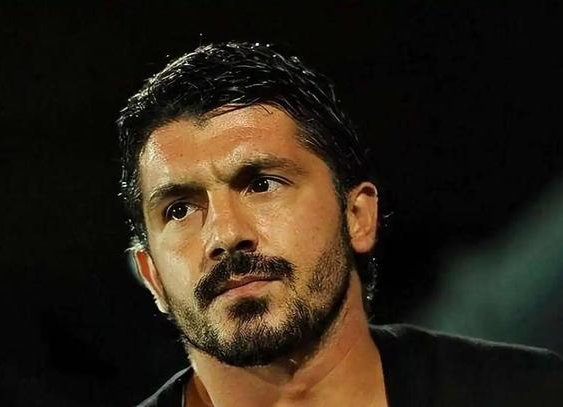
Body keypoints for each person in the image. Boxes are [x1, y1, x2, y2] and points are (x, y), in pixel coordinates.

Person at [117, 42, 562, 406]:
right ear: (152, 276)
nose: (226, 234)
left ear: (358, 217)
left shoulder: (533, 393)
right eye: (179, 210)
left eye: (262, 184)